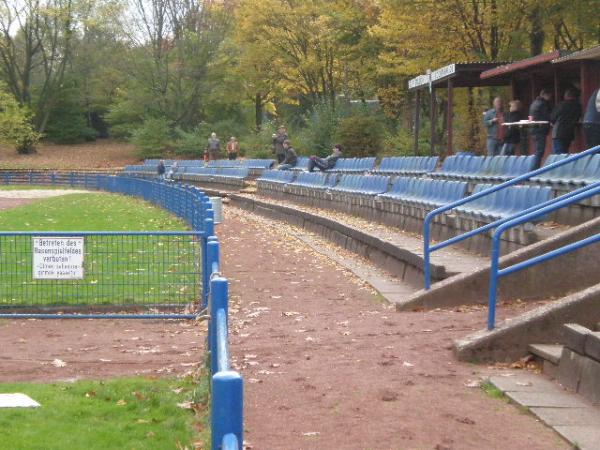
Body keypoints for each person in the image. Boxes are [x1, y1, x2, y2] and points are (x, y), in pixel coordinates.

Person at [551, 88, 581, 154]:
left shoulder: (561, 105)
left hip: (558, 133)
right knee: (565, 153)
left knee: (558, 155)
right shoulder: (578, 106)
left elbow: (553, 118)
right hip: (569, 133)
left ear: (566, 96)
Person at [529, 89, 553, 168]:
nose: (550, 98)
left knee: (537, 151)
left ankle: (534, 169)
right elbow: (547, 116)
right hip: (540, 130)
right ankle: (534, 170)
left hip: (534, 129)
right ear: (545, 95)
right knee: (540, 151)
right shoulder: (543, 104)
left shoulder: (534, 103)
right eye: (549, 96)